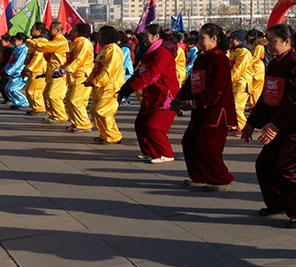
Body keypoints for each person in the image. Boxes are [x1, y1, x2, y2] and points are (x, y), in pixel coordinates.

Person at [243, 23, 296, 227]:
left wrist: (275, 125)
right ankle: (277, 203)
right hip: (280, 126)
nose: (269, 45)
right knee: (265, 165)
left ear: (287, 42)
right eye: (268, 41)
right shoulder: (276, 63)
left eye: (273, 41)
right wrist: (251, 123)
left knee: (288, 171)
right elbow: (267, 97)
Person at [176, 23, 237, 191]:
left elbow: (216, 87)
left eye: (202, 38)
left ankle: (221, 179)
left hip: (216, 110)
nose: (199, 41)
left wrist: (195, 101)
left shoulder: (219, 58)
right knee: (189, 141)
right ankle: (199, 176)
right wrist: (180, 98)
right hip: (200, 109)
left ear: (214, 39)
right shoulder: (203, 56)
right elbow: (192, 80)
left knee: (207, 146)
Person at [118, 24, 179, 164]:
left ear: (156, 37)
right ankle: (149, 152)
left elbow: (152, 74)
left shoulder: (163, 53)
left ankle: (166, 153)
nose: (143, 39)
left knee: (154, 126)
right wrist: (125, 87)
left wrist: (132, 88)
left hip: (165, 95)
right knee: (140, 123)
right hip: (152, 94)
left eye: (146, 36)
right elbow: (140, 72)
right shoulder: (150, 52)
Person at [85, 26, 125, 144]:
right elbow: (97, 68)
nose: (99, 37)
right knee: (94, 111)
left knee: (102, 111)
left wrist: (95, 81)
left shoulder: (113, 50)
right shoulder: (104, 49)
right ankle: (104, 134)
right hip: (100, 87)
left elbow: (108, 70)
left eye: (101, 35)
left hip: (111, 86)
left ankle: (114, 136)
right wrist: (90, 79)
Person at [27, 21, 70, 123]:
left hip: (59, 72)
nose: (49, 31)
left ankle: (60, 116)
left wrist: (29, 41)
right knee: (46, 94)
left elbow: (45, 47)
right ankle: (52, 114)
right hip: (51, 72)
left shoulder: (60, 41)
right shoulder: (54, 40)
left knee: (53, 95)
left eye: (51, 29)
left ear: (58, 30)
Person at [58, 23, 95, 133]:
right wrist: (62, 68)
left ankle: (84, 124)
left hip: (82, 75)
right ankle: (76, 122)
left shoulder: (84, 43)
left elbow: (79, 60)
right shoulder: (76, 43)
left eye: (74, 30)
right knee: (69, 99)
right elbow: (70, 60)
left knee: (76, 100)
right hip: (74, 75)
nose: (71, 32)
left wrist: (66, 70)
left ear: (80, 32)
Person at [228, 30, 254, 133]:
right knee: (233, 105)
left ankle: (243, 127)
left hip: (242, 83)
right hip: (236, 82)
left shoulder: (244, 52)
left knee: (237, 106)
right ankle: (235, 125)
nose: (231, 41)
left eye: (232, 39)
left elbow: (238, 69)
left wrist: (228, 80)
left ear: (238, 40)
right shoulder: (235, 51)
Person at [23, 23, 49, 115]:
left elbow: (38, 57)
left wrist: (29, 68)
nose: (31, 30)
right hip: (35, 68)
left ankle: (40, 108)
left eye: (33, 29)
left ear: (39, 31)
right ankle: (36, 108)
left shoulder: (41, 41)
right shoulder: (36, 40)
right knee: (29, 90)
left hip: (39, 69)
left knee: (34, 90)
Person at [3, 34, 28, 109]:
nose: (14, 42)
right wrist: (6, 69)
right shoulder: (17, 48)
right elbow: (11, 61)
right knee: (7, 89)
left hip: (20, 72)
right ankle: (17, 103)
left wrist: (9, 71)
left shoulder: (23, 49)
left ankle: (24, 103)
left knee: (13, 89)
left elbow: (19, 62)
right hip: (14, 72)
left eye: (15, 40)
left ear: (21, 40)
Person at [248, 33, 268, 109]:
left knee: (256, 89)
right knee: (253, 88)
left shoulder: (259, 46)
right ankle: (252, 105)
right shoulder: (255, 45)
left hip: (257, 68)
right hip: (254, 67)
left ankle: (255, 106)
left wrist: (247, 61)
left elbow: (256, 57)